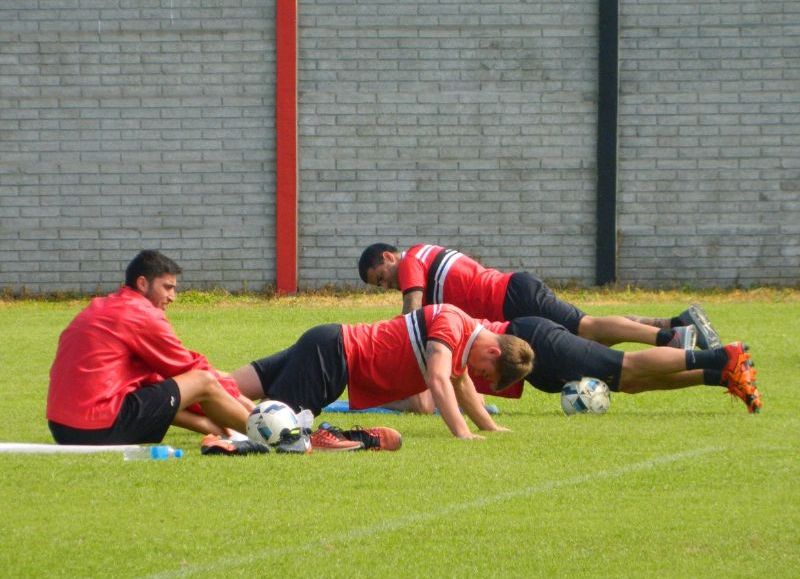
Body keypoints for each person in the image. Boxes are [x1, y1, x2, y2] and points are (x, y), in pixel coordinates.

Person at [230, 304, 534, 441]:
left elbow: (462, 384)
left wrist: (489, 427)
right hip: (333, 355)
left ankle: (187, 390)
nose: (480, 376)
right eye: (487, 373)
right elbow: (438, 379)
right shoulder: (453, 324)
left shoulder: (463, 340)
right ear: (493, 352)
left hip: (328, 345)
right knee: (274, 427)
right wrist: (462, 433)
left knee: (228, 387)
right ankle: (214, 426)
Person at [46, 250, 252, 445]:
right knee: (202, 381)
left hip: (62, 427)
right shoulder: (140, 313)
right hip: (96, 427)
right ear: (143, 283)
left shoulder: (105, 305)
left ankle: (224, 431)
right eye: (168, 287)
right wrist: (238, 399)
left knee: (158, 389)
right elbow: (188, 370)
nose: (173, 297)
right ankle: (265, 433)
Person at [358, 242, 722, 350]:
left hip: (513, 296)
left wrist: (390, 339)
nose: (386, 284)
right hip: (514, 294)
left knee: (587, 328)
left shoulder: (410, 263)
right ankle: (677, 324)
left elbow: (412, 308)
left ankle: (670, 339)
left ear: (389, 257)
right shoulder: (422, 253)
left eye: (381, 277)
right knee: (586, 332)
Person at [476, 316, 762, 414]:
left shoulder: (439, 332)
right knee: (631, 383)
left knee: (627, 366)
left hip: (533, 340)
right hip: (530, 355)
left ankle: (722, 356)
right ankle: (720, 375)